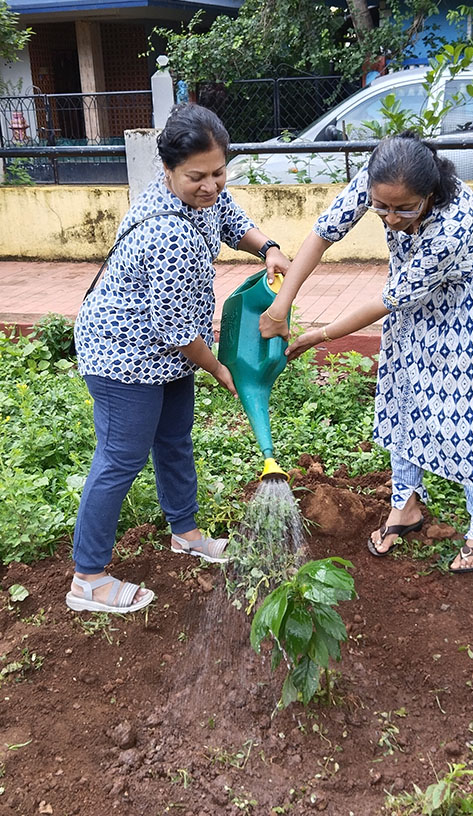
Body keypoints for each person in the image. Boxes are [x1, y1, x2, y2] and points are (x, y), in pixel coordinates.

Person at [260, 133, 473, 574]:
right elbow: (324, 234)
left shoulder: (452, 224)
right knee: (405, 396)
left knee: (472, 412)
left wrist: (318, 335)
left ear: (430, 194)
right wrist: (281, 305)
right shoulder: (380, 177)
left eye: (405, 209)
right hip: (414, 305)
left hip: (471, 311)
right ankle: (406, 506)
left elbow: (389, 299)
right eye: (382, 207)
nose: (391, 218)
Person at [69, 104, 291, 613]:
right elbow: (178, 331)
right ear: (166, 170)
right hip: (122, 355)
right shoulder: (166, 233)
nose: (210, 185)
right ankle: (88, 578)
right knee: (120, 458)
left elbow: (230, 216)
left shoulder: (203, 197)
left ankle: (185, 532)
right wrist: (219, 368)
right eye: (196, 177)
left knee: (173, 440)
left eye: (218, 172)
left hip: (165, 353)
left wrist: (269, 248)